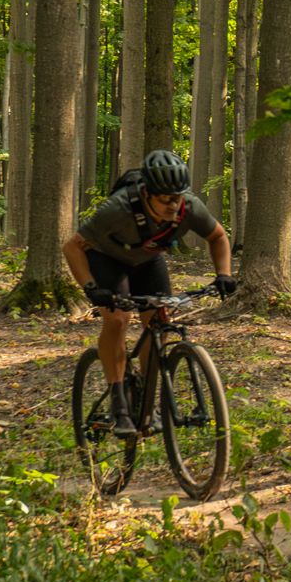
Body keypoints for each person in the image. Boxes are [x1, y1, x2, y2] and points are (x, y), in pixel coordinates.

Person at [62, 149, 236, 438]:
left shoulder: (189, 208)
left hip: (147, 260)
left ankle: (146, 400)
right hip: (107, 259)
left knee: (159, 319)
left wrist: (224, 275)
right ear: (146, 194)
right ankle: (118, 402)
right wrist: (92, 288)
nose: (173, 205)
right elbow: (73, 246)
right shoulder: (118, 210)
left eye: (178, 197)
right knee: (118, 320)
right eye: (165, 199)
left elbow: (217, 236)